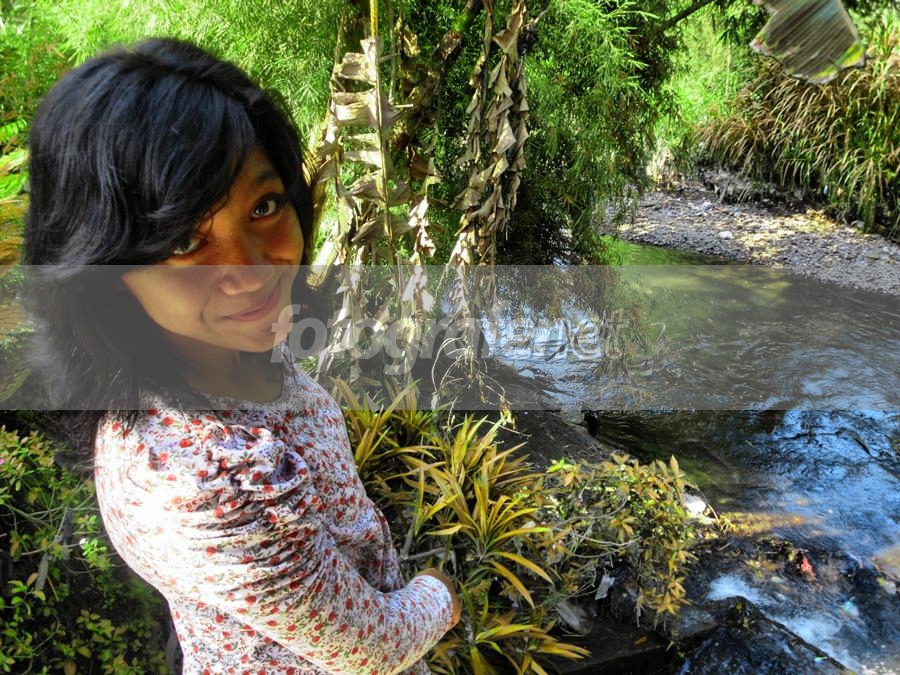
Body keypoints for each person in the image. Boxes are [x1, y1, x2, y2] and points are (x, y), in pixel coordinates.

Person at [23, 38, 460, 675]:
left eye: (263, 206)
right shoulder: (208, 476)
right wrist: (441, 593)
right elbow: (376, 648)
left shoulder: (223, 350)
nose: (252, 271)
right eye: (185, 240)